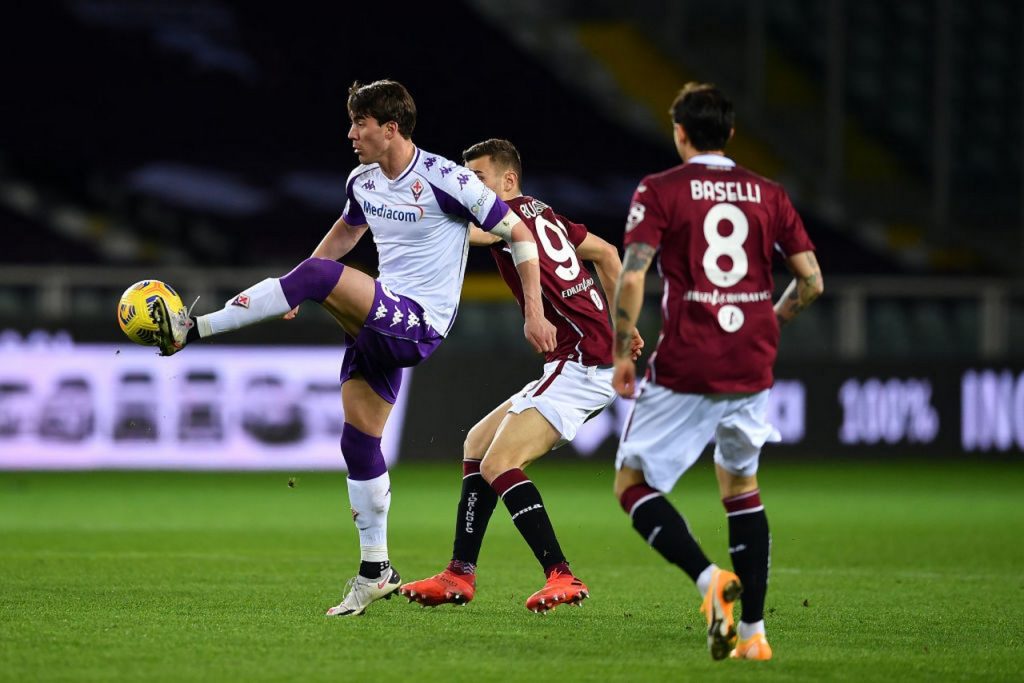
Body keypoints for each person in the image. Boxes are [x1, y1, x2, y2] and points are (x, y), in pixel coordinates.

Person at [151, 81, 557, 617]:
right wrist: (296, 288)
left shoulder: (447, 180)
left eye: (359, 123)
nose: (350, 134)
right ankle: (376, 571)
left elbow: (519, 234)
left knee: (319, 277)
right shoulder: (363, 181)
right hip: (380, 319)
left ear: (390, 128)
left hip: (418, 321)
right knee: (358, 443)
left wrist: (533, 309)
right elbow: (344, 234)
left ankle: (191, 330)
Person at [610, 83, 823, 661]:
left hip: (687, 360)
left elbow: (633, 275)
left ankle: (710, 582)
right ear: (730, 134)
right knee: (741, 487)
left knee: (632, 485)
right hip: (752, 362)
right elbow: (811, 281)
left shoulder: (660, 190)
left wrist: (622, 352)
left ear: (679, 133)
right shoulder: (769, 193)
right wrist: (772, 321)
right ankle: (754, 636)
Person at [398, 139, 643, 612]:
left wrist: (402, 213)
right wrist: (626, 327)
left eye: (481, 179)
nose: (473, 189)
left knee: (499, 462)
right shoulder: (544, 213)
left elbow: (464, 235)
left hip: (582, 363)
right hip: (582, 357)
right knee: (477, 445)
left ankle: (561, 575)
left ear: (508, 180)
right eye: (467, 180)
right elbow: (610, 255)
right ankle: (458, 575)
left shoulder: (504, 217)